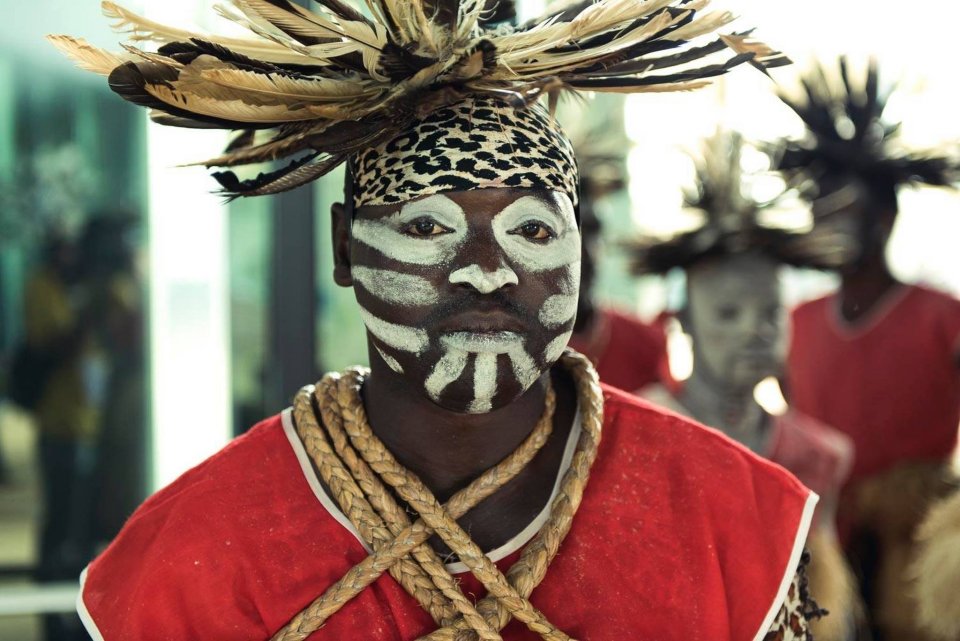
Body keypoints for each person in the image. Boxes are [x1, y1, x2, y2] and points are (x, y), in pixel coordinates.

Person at [53, 2, 817, 639]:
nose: (487, 268)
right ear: (345, 247)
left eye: (532, 230)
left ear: (581, 249)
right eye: (426, 226)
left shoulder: (727, 517)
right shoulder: (198, 550)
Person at [632, 131, 859, 641]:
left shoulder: (816, 457)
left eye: (771, 312)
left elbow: (827, 611)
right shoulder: (636, 437)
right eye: (728, 312)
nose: (756, 330)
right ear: (684, 321)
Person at [775, 58, 960, 639]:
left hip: (917, 553)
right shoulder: (796, 322)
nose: (826, 224)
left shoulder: (942, 317)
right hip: (822, 547)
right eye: (819, 210)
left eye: (844, 210)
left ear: (884, 218)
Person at [564, 100, 668, 393]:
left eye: (593, 233)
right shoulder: (508, 346)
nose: (584, 252)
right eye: (563, 234)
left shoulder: (644, 342)